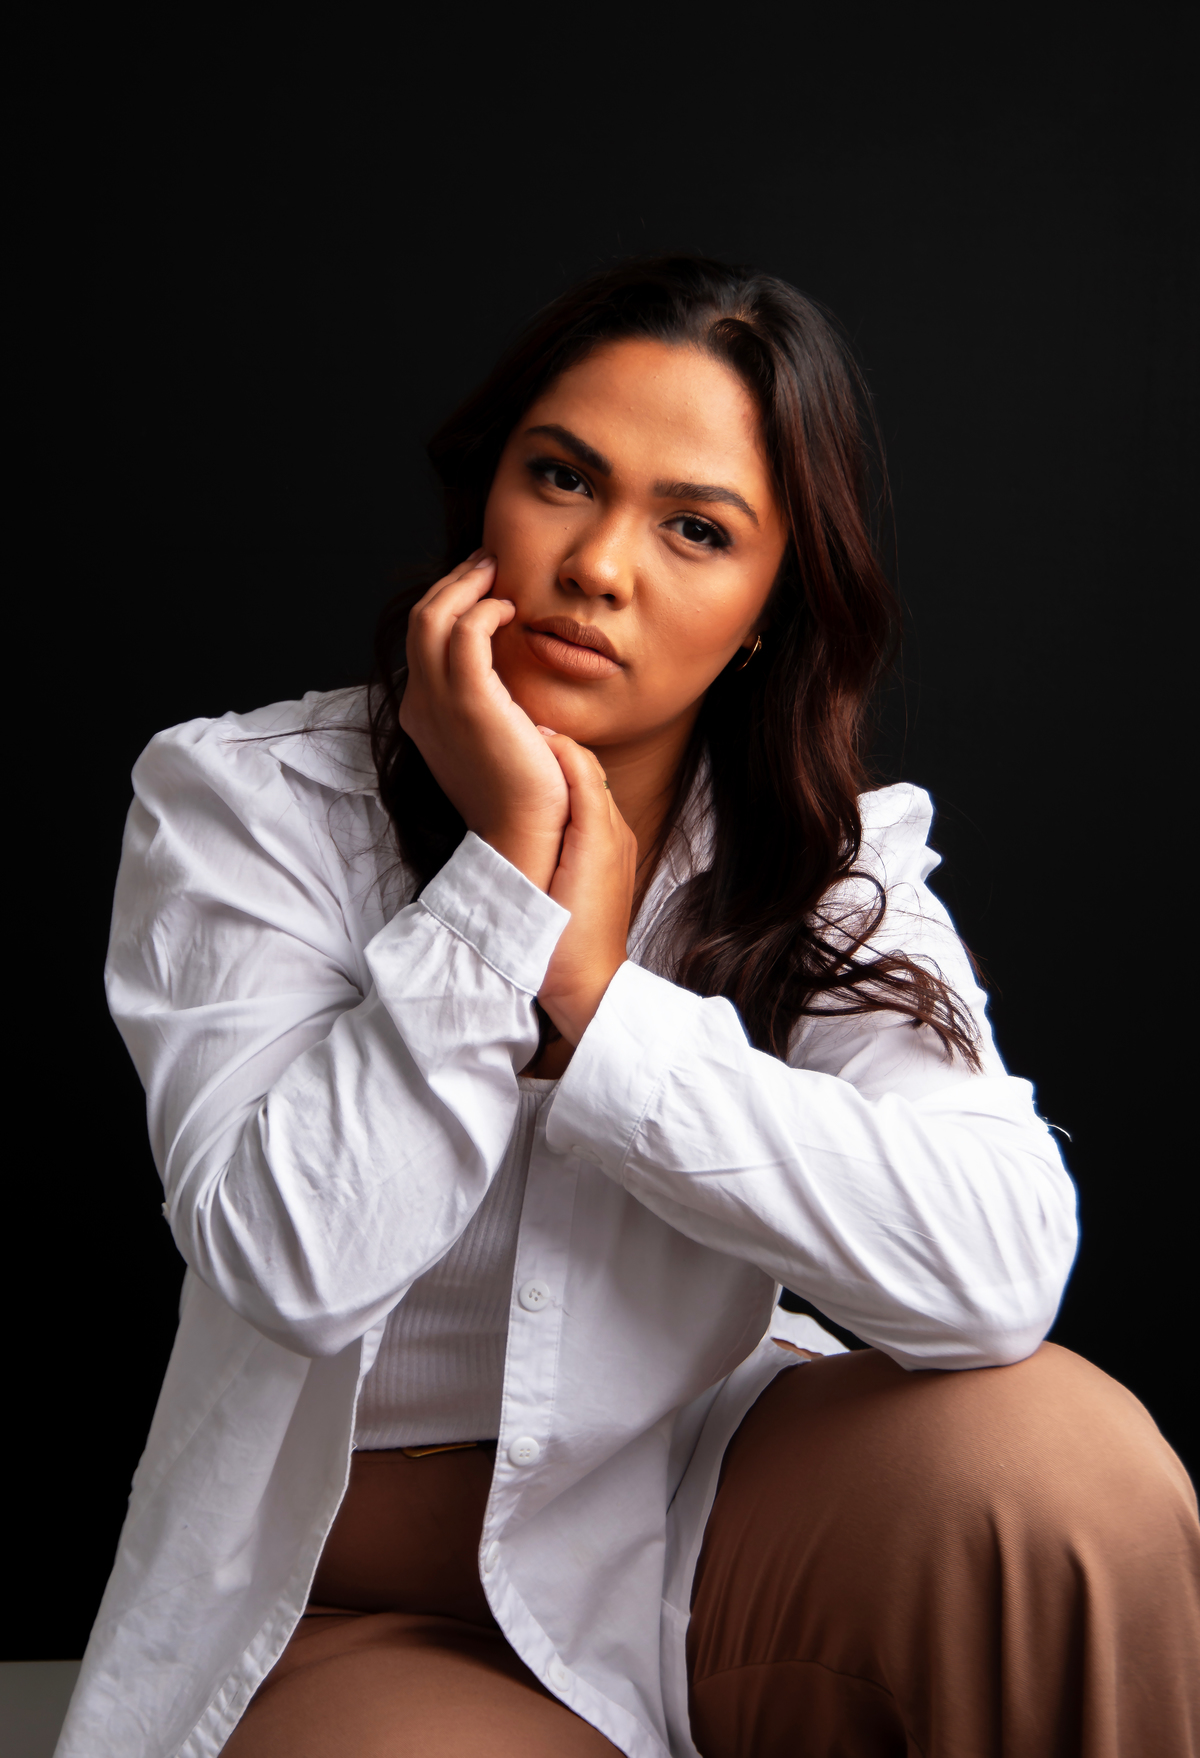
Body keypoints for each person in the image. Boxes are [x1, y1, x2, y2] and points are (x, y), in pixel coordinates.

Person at [59, 256, 1198, 1757]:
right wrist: (503, 886)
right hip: (339, 1597)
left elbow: (1000, 1266)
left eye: (696, 528)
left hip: (686, 1537)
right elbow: (290, 1261)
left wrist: (599, 1010)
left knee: (1066, 1472)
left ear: (769, 608)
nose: (600, 565)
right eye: (563, 477)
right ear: (486, 498)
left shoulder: (824, 858)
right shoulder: (251, 804)